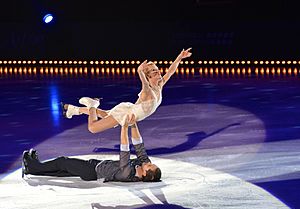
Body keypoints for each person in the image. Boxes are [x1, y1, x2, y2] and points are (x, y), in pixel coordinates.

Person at [62, 48, 192, 133]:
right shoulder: (148, 90)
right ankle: (92, 105)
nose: (158, 71)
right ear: (149, 76)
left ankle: (73, 110)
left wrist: (180, 57)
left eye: (157, 69)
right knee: (93, 128)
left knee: (105, 114)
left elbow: (170, 71)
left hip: (128, 110)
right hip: (126, 114)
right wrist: (139, 72)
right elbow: (144, 84)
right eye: (154, 70)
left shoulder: (160, 85)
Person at [22, 114, 161, 183]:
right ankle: (34, 168)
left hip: (92, 172)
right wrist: (133, 124)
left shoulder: (127, 173)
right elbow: (139, 146)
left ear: (144, 174)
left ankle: (32, 165)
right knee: (61, 172)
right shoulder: (142, 164)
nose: (148, 162)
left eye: (149, 166)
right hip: (96, 165)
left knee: (62, 162)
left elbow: (124, 150)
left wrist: (124, 127)